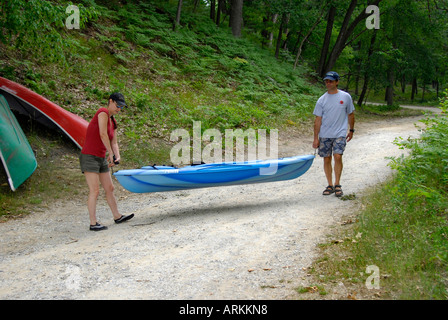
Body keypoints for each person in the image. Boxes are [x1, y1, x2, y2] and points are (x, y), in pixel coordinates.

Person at [80, 92, 134, 231]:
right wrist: (109, 152)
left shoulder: (113, 121)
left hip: (100, 157)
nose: (119, 109)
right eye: (117, 105)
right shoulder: (102, 112)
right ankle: (93, 223)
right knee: (95, 190)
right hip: (89, 156)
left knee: (110, 188)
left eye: (121, 107)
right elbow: (102, 134)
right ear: (110, 101)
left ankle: (117, 216)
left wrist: (116, 155)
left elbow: (114, 141)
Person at [312, 71, 355, 197]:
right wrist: (316, 138)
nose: (328, 83)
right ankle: (329, 184)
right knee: (326, 158)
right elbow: (318, 119)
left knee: (337, 156)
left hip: (340, 133)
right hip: (325, 133)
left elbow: (351, 114)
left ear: (337, 82)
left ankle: (337, 184)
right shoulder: (321, 100)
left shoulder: (345, 97)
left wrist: (351, 130)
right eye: (326, 81)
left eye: (331, 81)